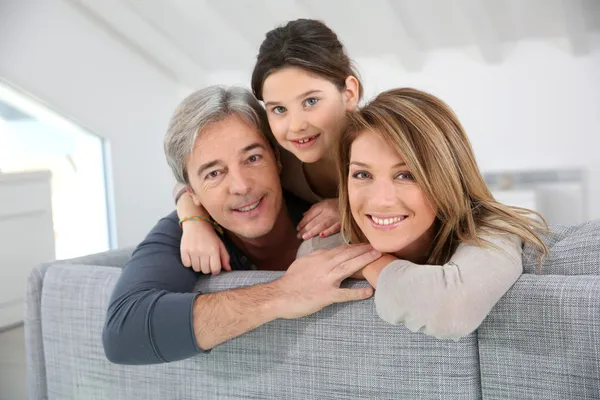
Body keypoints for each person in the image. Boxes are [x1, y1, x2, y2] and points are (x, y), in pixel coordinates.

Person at [102, 86, 379, 365]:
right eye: (214, 173)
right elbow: (123, 333)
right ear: (192, 193)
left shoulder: (325, 197)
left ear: (277, 159)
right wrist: (283, 293)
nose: (241, 185)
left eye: (253, 158)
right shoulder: (187, 231)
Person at [301, 88, 549, 340]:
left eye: (406, 175)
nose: (381, 200)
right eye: (362, 175)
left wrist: (371, 262)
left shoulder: (494, 231)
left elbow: (451, 308)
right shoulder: (326, 241)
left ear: (447, 177)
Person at [173, 19, 362, 275]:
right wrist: (194, 220)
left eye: (311, 101)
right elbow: (193, 177)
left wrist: (347, 206)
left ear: (349, 93)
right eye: (279, 109)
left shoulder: (379, 142)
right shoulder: (281, 151)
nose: (295, 126)